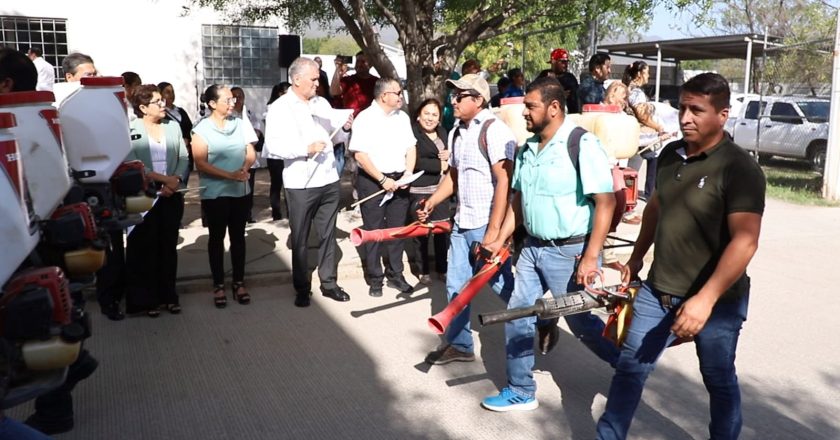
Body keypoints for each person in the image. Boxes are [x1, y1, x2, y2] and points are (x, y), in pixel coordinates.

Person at [596, 72, 765, 440]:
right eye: (682, 108)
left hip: (717, 302)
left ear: (722, 115)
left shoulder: (739, 168)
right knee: (629, 369)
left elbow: (745, 241)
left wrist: (704, 299)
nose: (685, 118)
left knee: (718, 379)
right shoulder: (672, 154)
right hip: (658, 291)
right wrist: (637, 258)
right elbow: (655, 209)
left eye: (696, 110)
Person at [480, 77, 619, 411]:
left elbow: (606, 202)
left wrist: (591, 256)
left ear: (554, 108)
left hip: (571, 253)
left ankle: (629, 364)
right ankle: (520, 389)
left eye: (530, 106)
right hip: (531, 249)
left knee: (583, 322)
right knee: (517, 313)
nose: (524, 113)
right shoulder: (528, 149)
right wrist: (500, 239)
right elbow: (520, 201)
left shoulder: (581, 144)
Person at [417, 73, 515, 366]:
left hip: (487, 224)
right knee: (456, 285)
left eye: (460, 96)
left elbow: (504, 182)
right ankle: (460, 345)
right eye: (453, 95)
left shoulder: (495, 131)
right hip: (462, 221)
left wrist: (495, 232)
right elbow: (454, 176)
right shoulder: (457, 132)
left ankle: (538, 316)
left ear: (479, 100)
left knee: (502, 286)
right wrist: (432, 202)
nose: (453, 101)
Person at [263, 57, 353, 308]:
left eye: (318, 78)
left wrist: (345, 127)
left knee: (327, 234)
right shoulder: (280, 108)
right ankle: (301, 286)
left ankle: (329, 282)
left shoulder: (322, 103)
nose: (317, 83)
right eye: (313, 79)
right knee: (300, 237)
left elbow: (336, 137)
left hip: (328, 178)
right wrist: (304, 149)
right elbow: (273, 147)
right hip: (300, 181)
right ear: (297, 79)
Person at [124, 84, 189, 317]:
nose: (163, 104)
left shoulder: (173, 126)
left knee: (168, 247)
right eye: (157, 102)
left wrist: (176, 179)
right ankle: (145, 300)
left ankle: (168, 296)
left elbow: (183, 156)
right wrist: (163, 180)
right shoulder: (130, 128)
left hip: (171, 195)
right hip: (145, 196)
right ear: (143, 107)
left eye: (163, 100)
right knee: (144, 247)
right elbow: (133, 163)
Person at [350, 77, 417, 297]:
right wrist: (381, 179)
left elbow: (411, 147)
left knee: (397, 230)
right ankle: (375, 277)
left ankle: (396, 274)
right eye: (397, 93)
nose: (401, 96)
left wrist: (408, 173)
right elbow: (360, 154)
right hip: (373, 181)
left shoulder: (402, 118)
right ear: (384, 95)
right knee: (374, 231)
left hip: (399, 180)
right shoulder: (365, 118)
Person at [192, 84, 257, 308]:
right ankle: (218, 284)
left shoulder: (240, 123)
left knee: (238, 237)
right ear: (212, 104)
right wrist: (228, 175)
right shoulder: (201, 129)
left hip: (240, 189)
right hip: (216, 192)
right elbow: (200, 162)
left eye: (233, 100)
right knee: (217, 238)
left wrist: (245, 168)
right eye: (227, 100)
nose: (233, 103)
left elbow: (250, 151)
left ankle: (239, 282)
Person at [407, 98, 450, 285]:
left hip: (441, 189)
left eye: (434, 114)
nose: (430, 118)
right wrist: (440, 164)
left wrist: (449, 154)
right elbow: (416, 162)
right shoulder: (412, 134)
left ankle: (442, 268)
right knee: (422, 231)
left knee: (442, 230)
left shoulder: (443, 132)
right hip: (420, 189)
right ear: (418, 115)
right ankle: (422, 269)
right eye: (427, 113)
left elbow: (451, 155)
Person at [231, 86, 264, 224]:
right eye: (235, 97)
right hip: (234, 158)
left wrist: (256, 134)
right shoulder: (228, 114)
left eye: (240, 96)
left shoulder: (249, 113)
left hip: (249, 158)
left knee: (248, 189)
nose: (238, 99)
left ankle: (247, 214)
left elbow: (257, 130)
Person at [262, 81, 291, 224]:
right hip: (275, 153)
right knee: (276, 183)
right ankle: (276, 211)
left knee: (289, 183)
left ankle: (290, 210)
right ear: (280, 93)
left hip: (289, 151)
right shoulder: (272, 108)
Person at [157, 81, 195, 182]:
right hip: (171, 154)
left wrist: (187, 139)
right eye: (167, 92)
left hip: (185, 153)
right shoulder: (159, 113)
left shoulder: (180, 111)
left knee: (182, 184)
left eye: (172, 91)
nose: (171, 95)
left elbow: (190, 129)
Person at [330, 50, 378, 117]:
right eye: (357, 61)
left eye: (363, 62)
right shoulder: (348, 80)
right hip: (349, 123)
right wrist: (337, 69)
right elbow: (334, 92)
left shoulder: (377, 82)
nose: (359, 64)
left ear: (371, 64)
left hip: (368, 121)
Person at [549, 48, 580, 113]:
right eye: (562, 62)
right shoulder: (545, 75)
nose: (565, 65)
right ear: (553, 62)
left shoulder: (570, 78)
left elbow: (575, 99)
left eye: (566, 62)